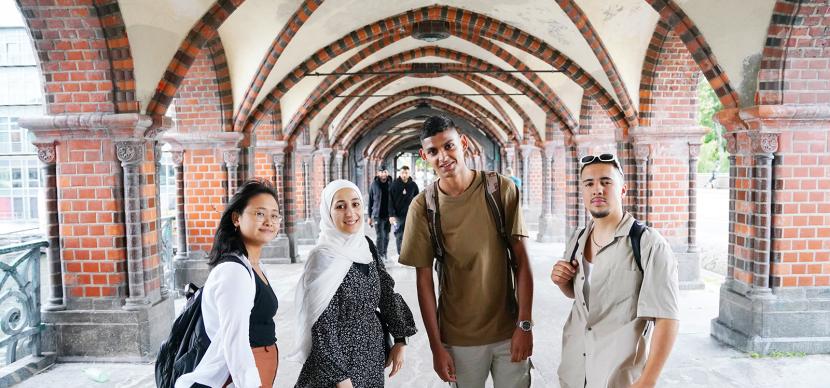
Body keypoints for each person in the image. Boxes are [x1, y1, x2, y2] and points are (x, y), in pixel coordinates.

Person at [399, 115, 534, 387]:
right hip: (458, 339)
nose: (443, 156)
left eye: (449, 146)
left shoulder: (499, 189)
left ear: (462, 143)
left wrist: (524, 325)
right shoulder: (423, 207)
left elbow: (522, 262)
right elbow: (424, 282)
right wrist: (437, 347)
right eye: (434, 151)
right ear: (424, 156)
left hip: (509, 332)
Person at [550, 154, 680, 388]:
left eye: (606, 182)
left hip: (617, 377)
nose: (597, 189)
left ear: (622, 190)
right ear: (583, 192)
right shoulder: (578, 238)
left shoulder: (649, 244)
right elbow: (581, 298)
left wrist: (647, 381)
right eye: (589, 184)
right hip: (574, 371)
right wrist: (563, 282)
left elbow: (667, 318)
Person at [291, 179, 417, 388]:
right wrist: (340, 379)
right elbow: (322, 327)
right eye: (340, 206)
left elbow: (386, 292)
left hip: (371, 356)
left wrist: (401, 337)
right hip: (336, 366)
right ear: (328, 212)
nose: (350, 213)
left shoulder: (365, 245)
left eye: (355, 204)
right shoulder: (323, 257)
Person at [175, 179, 281, 388]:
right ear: (236, 218)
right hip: (237, 379)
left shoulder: (253, 265)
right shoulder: (234, 272)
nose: (269, 221)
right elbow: (236, 342)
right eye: (260, 213)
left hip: (257, 371)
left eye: (275, 215)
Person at [389, 165, 419, 255]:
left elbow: (417, 200)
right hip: (398, 216)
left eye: (406, 173)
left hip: (411, 215)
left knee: (411, 235)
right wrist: (391, 215)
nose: (404, 175)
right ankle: (401, 255)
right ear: (400, 173)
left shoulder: (413, 185)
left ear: (409, 173)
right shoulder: (394, 185)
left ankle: (409, 254)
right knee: (399, 235)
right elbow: (390, 201)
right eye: (402, 173)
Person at [368, 166, 393, 261]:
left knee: (386, 236)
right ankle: (379, 256)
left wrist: (393, 214)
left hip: (388, 215)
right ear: (378, 174)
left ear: (387, 173)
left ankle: (385, 254)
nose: (383, 174)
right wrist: (370, 216)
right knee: (380, 236)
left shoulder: (391, 184)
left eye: (385, 172)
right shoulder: (374, 184)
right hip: (377, 215)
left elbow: (394, 200)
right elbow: (370, 200)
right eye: (381, 172)